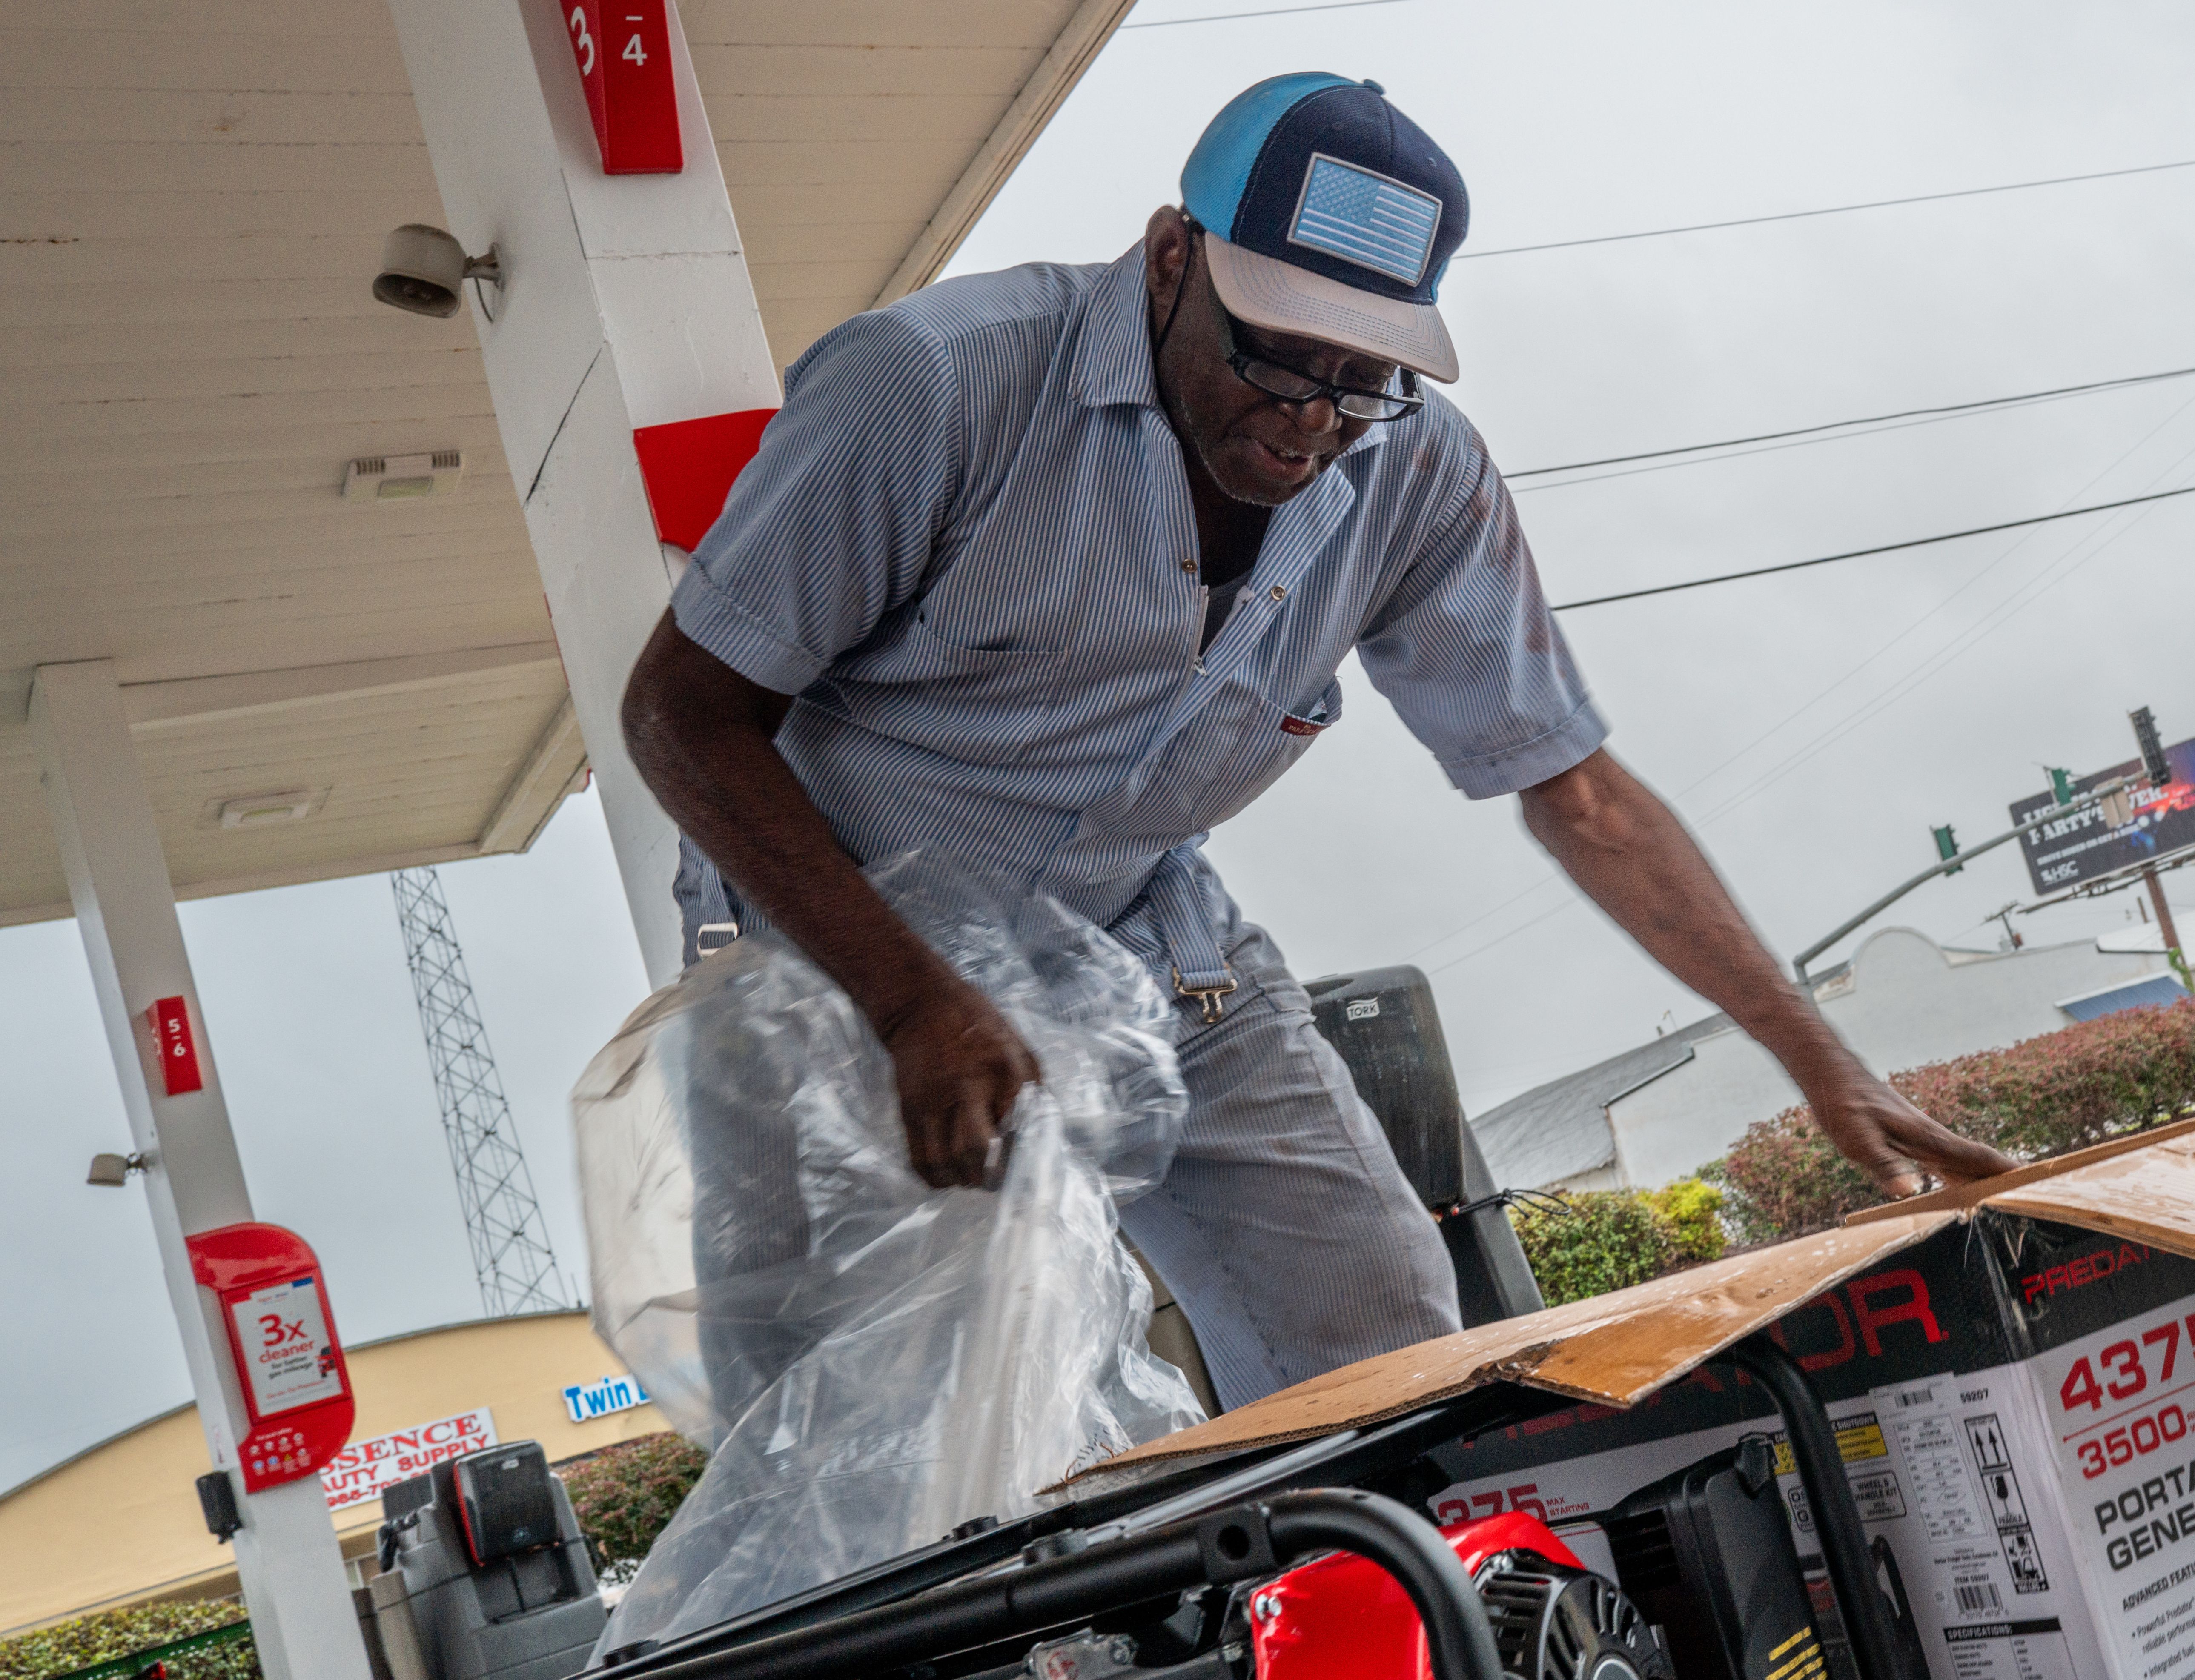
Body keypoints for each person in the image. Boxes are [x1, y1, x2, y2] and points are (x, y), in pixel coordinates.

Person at [622, 73, 2006, 1408]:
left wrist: (1815, 1058)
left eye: (1366, 375)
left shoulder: (1413, 471)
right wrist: (913, 1001)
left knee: (1384, 1328)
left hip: (1145, 936)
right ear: (1172, 258)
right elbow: (680, 716)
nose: (1312, 420)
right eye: (1281, 351)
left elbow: (1574, 788)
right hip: (832, 957)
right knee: (882, 1438)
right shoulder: (933, 387)